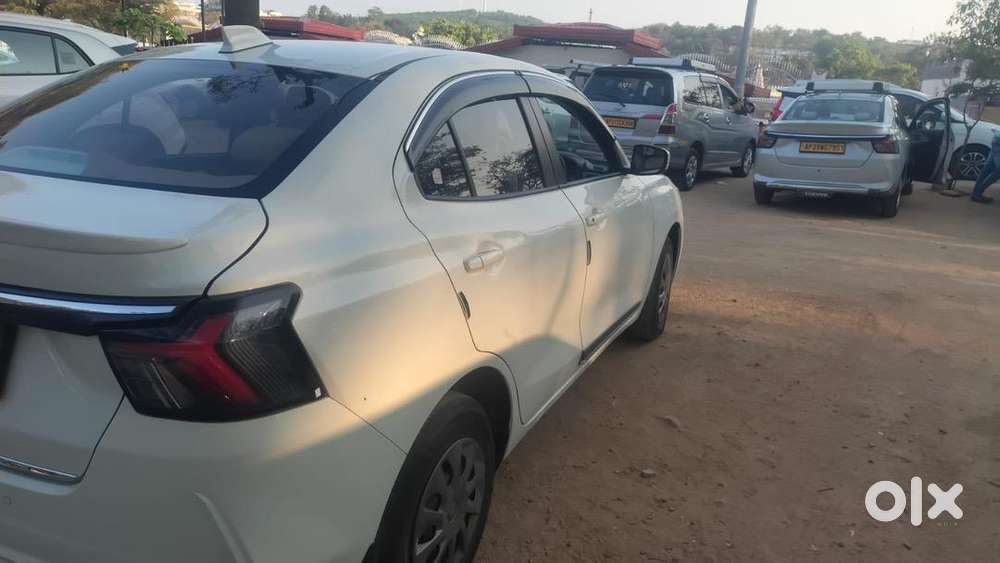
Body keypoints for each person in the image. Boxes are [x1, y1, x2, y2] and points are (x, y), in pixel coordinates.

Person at [971, 129, 1000, 204]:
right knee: (997, 172)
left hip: (996, 139)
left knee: (988, 168)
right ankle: (977, 193)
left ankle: (975, 193)